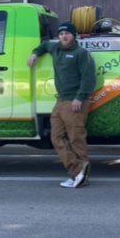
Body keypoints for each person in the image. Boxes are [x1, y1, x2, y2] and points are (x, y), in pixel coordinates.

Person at [27, 21, 96, 188]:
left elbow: (89, 78)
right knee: (56, 136)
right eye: (61, 34)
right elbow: (44, 45)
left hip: (74, 101)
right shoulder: (55, 48)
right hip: (60, 101)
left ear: (74, 35)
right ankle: (78, 170)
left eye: (67, 33)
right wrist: (35, 53)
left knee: (76, 138)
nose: (64, 36)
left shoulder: (81, 53)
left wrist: (79, 98)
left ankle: (80, 175)